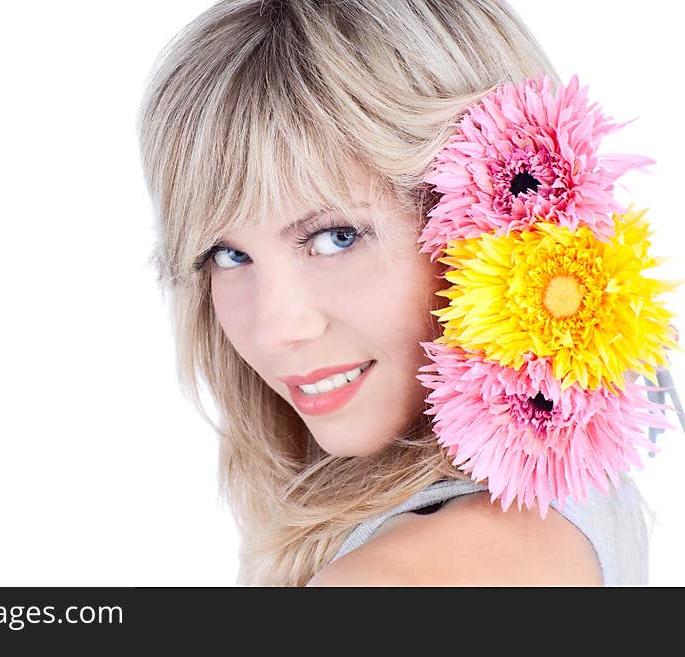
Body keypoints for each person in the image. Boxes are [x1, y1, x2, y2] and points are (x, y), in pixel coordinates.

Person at [135, 0, 657, 586]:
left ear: (508, 227)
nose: (275, 328)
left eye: (335, 238)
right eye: (229, 255)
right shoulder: (561, 513)